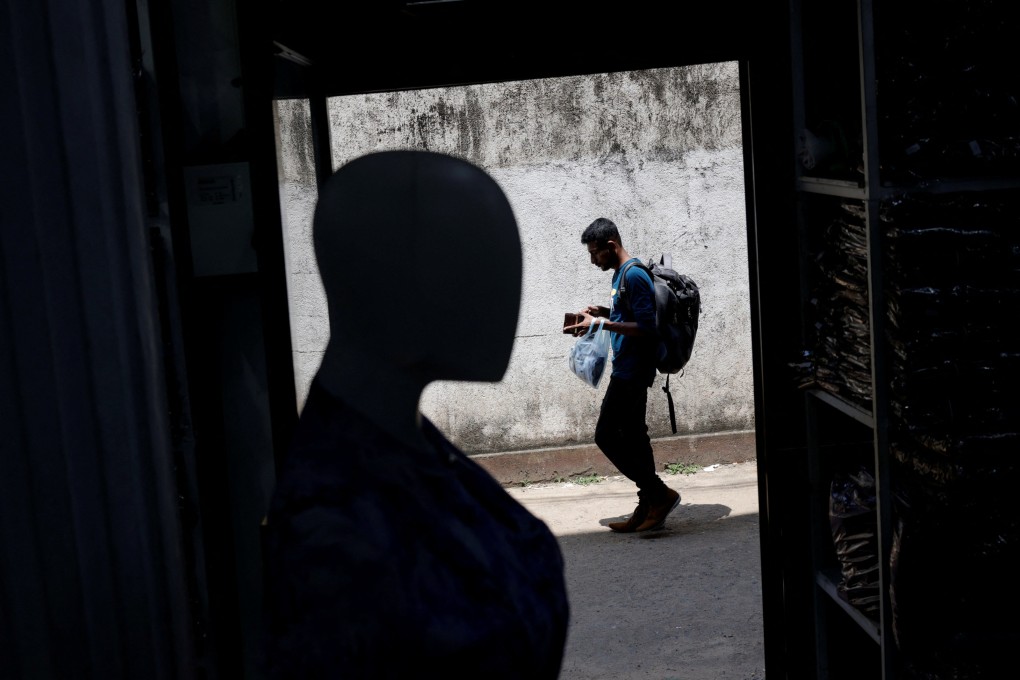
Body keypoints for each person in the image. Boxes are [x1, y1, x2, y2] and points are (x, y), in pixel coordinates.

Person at [261, 150, 569, 678]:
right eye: (475, 267)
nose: (505, 296)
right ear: (395, 284)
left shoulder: (403, 443)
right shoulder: (331, 529)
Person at [565, 217, 681, 533]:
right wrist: (603, 313)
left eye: (595, 253)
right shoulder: (620, 276)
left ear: (611, 246)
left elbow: (648, 327)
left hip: (633, 370)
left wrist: (601, 325)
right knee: (633, 436)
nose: (592, 260)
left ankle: (659, 494)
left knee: (605, 434)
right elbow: (629, 315)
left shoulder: (635, 276)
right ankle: (648, 504)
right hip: (626, 367)